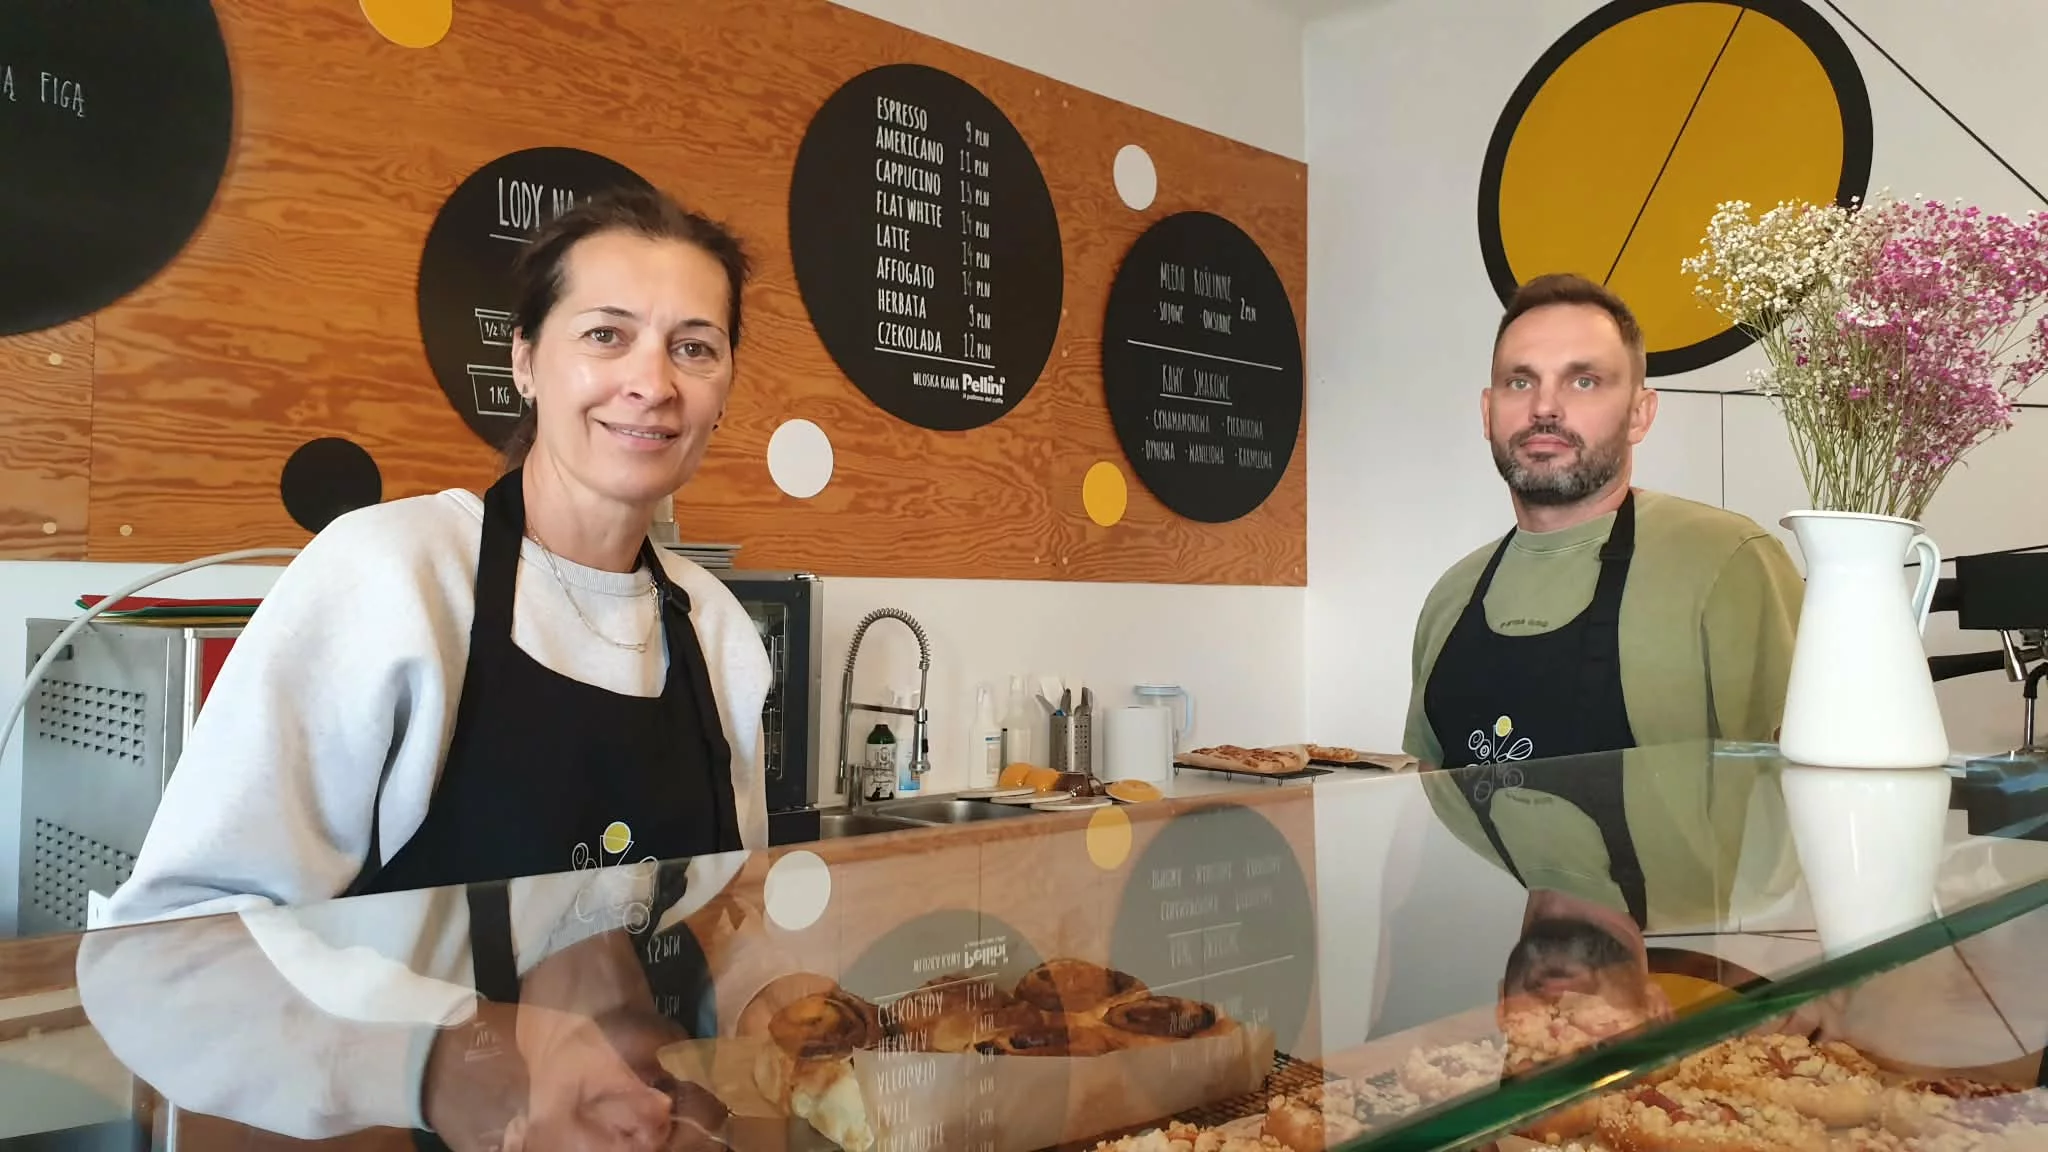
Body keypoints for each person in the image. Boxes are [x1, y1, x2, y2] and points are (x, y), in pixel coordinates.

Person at [97, 184, 772, 1151]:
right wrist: (451, 1061)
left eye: (694, 347)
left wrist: (727, 1052)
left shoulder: (718, 633)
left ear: (724, 388)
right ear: (525, 361)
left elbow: (715, 923)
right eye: (607, 335)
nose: (653, 382)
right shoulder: (392, 575)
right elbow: (159, 958)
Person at [1404, 272, 1804, 774]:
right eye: (1520, 382)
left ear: (1639, 414)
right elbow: (1427, 794)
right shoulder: (1451, 596)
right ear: (1488, 412)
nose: (1544, 407)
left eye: (1583, 381)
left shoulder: (1729, 561)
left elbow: (1812, 791)